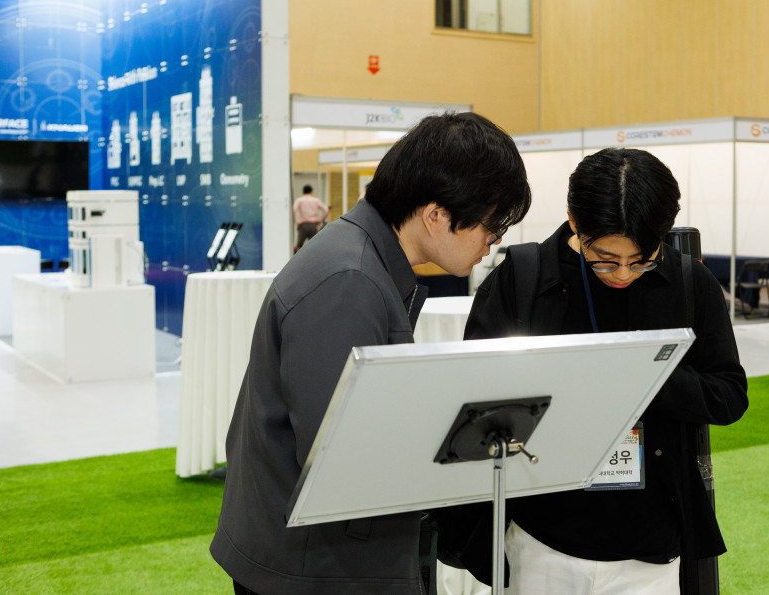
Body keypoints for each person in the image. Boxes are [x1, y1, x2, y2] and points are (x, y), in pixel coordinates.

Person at [210, 111, 531, 594]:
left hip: (315, 554)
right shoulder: (349, 281)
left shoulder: (361, 259)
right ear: (436, 215)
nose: (494, 241)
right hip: (314, 568)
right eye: (491, 225)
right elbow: (341, 456)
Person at [446, 148, 748, 594]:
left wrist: (646, 374)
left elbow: (729, 396)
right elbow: (473, 399)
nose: (622, 274)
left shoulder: (689, 283)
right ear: (574, 221)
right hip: (541, 537)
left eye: (642, 259)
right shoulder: (524, 279)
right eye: (604, 258)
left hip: (650, 543)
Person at [293, 184, 329, 252]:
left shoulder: (299, 200)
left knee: (299, 246)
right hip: (313, 225)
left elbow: (294, 209)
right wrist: (320, 220)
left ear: (303, 192)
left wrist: (297, 221)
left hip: (303, 225)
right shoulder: (316, 200)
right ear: (311, 191)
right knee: (314, 246)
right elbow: (326, 210)